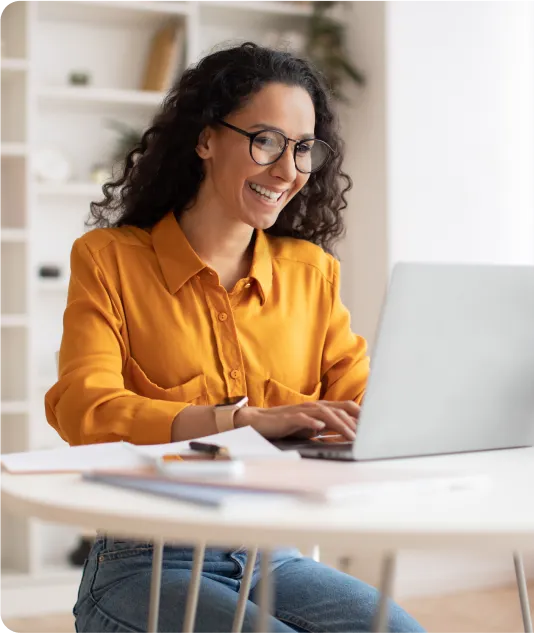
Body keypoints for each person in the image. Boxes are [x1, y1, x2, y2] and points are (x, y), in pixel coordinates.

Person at [45, 42, 426, 633]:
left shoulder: (311, 273)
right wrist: (236, 423)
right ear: (205, 140)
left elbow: (363, 401)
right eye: (266, 140)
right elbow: (84, 410)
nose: (287, 170)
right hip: (142, 562)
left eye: (303, 149)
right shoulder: (109, 261)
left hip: (272, 554)